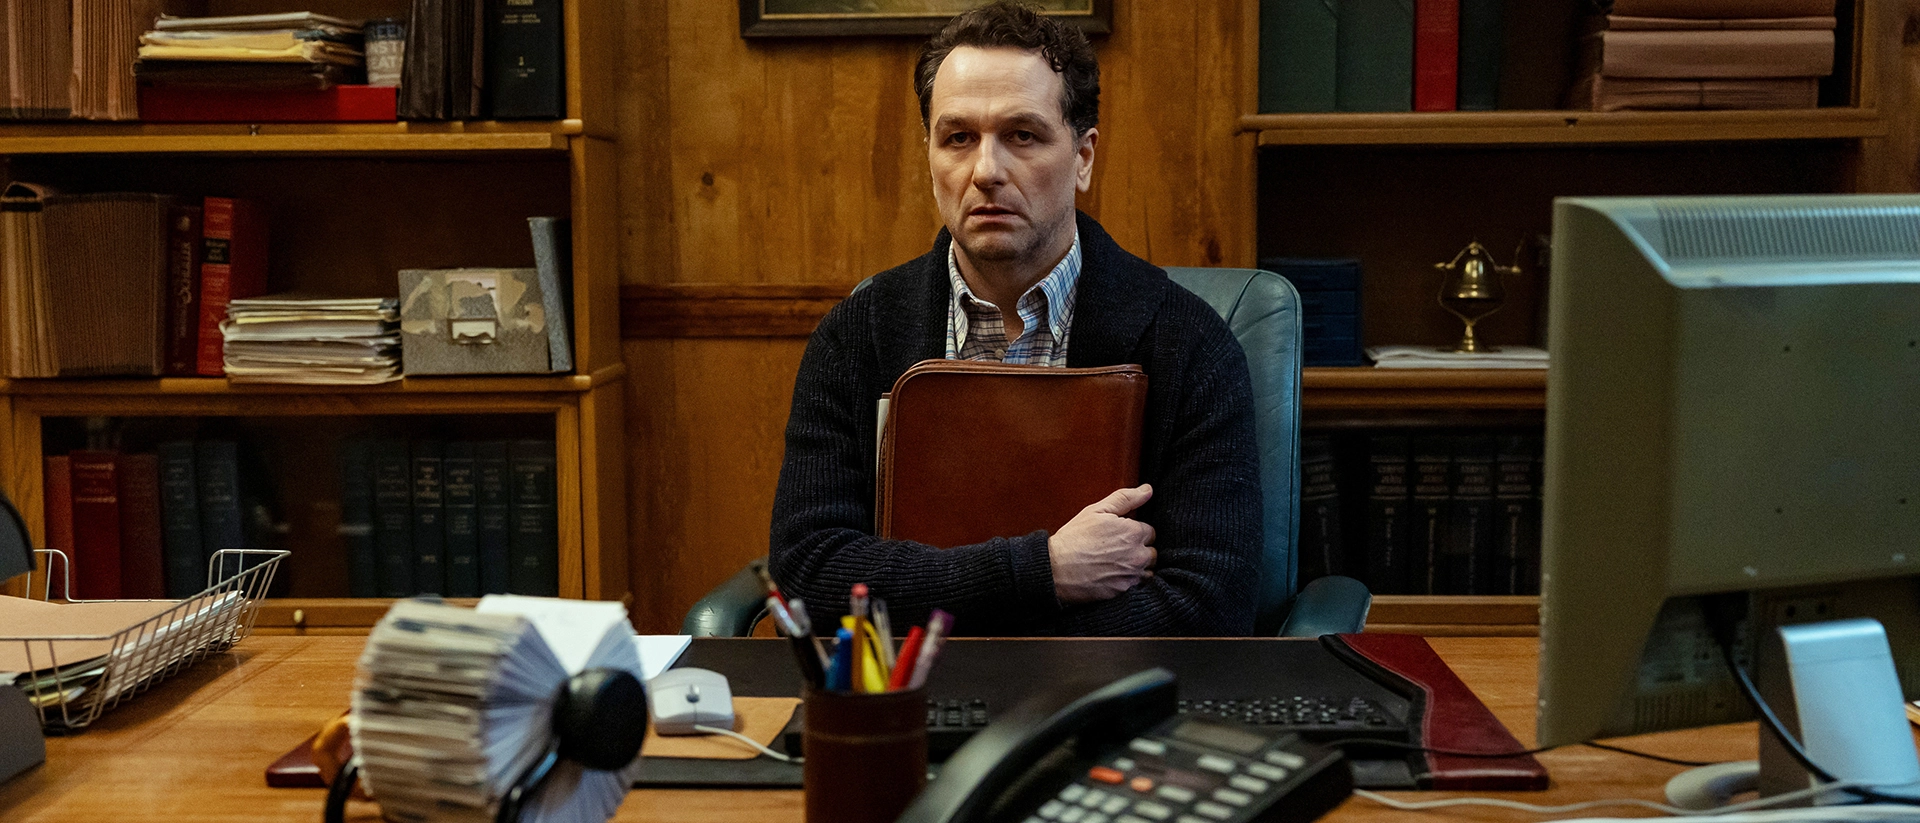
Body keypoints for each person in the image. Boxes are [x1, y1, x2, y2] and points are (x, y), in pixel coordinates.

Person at [768, 1, 1261, 636]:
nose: (986, 171)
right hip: (909, 691)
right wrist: (1041, 572)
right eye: (958, 138)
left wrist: (961, 616)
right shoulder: (855, 336)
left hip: (1103, 691)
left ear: (1083, 157)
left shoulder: (1190, 343)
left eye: (1023, 135)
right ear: (929, 156)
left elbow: (1213, 604)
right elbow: (808, 574)